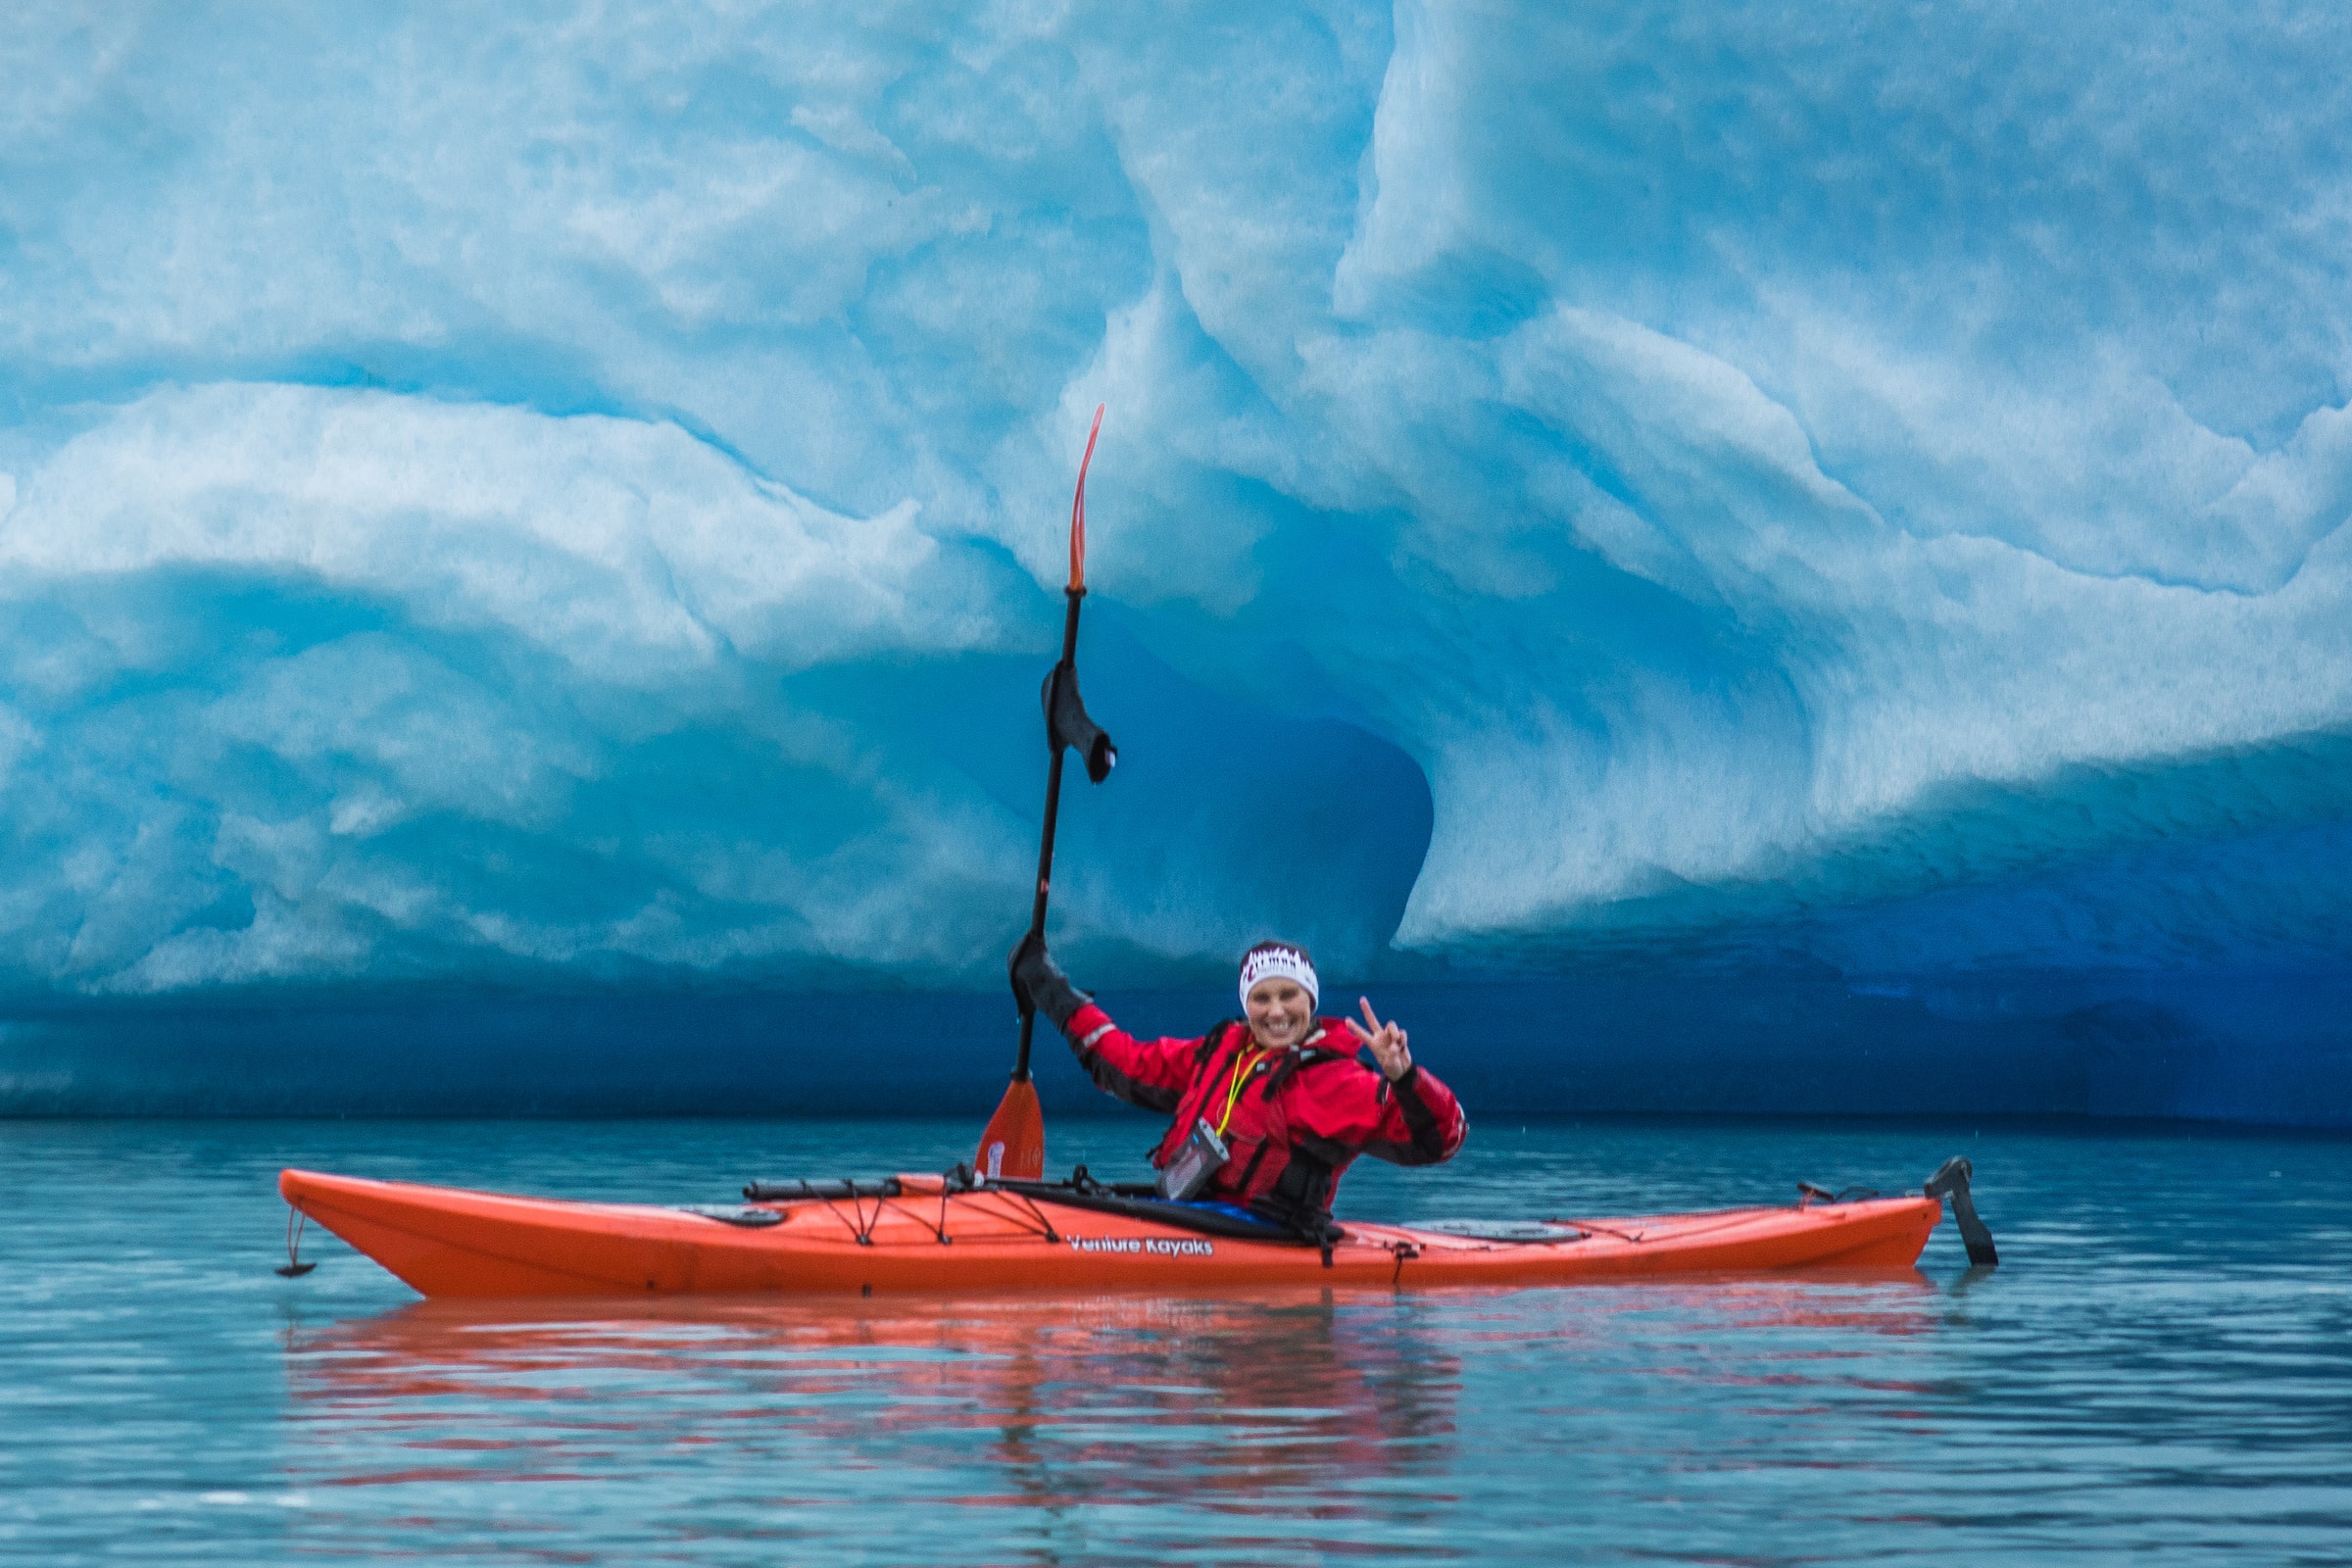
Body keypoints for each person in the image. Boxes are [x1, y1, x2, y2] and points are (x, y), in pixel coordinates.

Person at [1010, 935, 1467, 1235]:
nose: (1276, 1012)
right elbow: (1125, 1065)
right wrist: (1052, 990)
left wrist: (1405, 1078)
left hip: (1265, 1237)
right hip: (1195, 1218)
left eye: (1289, 995)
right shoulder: (1222, 1053)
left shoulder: (1334, 1080)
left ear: (1310, 1000)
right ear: (1246, 1004)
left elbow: (1439, 1142)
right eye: (1261, 998)